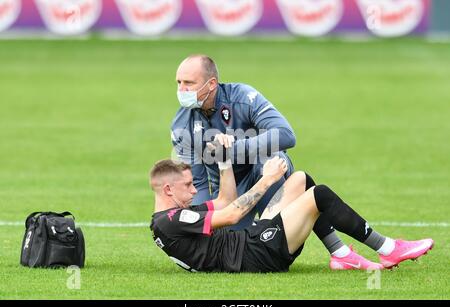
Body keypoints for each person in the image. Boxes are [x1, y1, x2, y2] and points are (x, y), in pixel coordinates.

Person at [170, 54, 379, 270]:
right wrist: (199, 225)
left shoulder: (243, 97)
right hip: (230, 193)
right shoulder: (180, 126)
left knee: (274, 159)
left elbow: (286, 135)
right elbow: (199, 183)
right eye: (179, 82)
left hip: (264, 173)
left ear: (211, 84)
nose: (182, 90)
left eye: (189, 83)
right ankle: (340, 252)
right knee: (230, 245)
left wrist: (234, 148)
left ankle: (329, 249)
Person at [149, 138, 434, 273]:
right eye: (188, 185)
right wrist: (267, 179)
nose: (195, 189)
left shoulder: (171, 217)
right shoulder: (169, 220)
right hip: (254, 255)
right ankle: (388, 249)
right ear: (168, 189)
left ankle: (341, 254)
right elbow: (234, 213)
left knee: (300, 179)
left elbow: (224, 201)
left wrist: (224, 160)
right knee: (319, 194)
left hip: (251, 242)